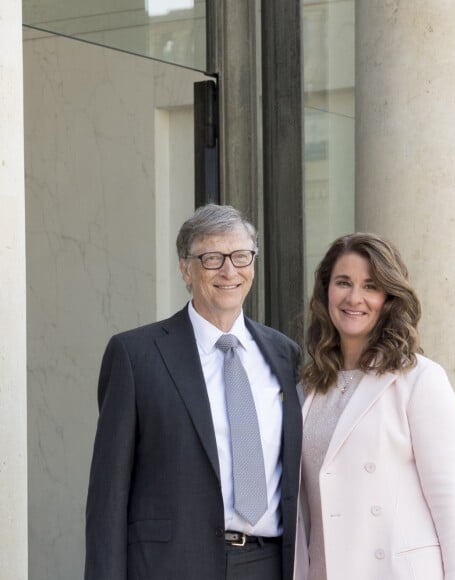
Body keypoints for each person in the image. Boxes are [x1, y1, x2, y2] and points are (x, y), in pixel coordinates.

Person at [85, 204, 303, 580]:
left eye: (240, 256)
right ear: (186, 269)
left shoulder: (285, 355)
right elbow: (107, 498)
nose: (229, 271)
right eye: (212, 258)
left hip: (267, 565)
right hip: (170, 567)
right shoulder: (136, 355)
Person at [294, 233, 455, 580]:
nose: (354, 298)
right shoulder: (309, 388)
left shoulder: (420, 380)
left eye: (371, 286)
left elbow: (449, 505)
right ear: (326, 292)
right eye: (343, 283)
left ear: (389, 298)